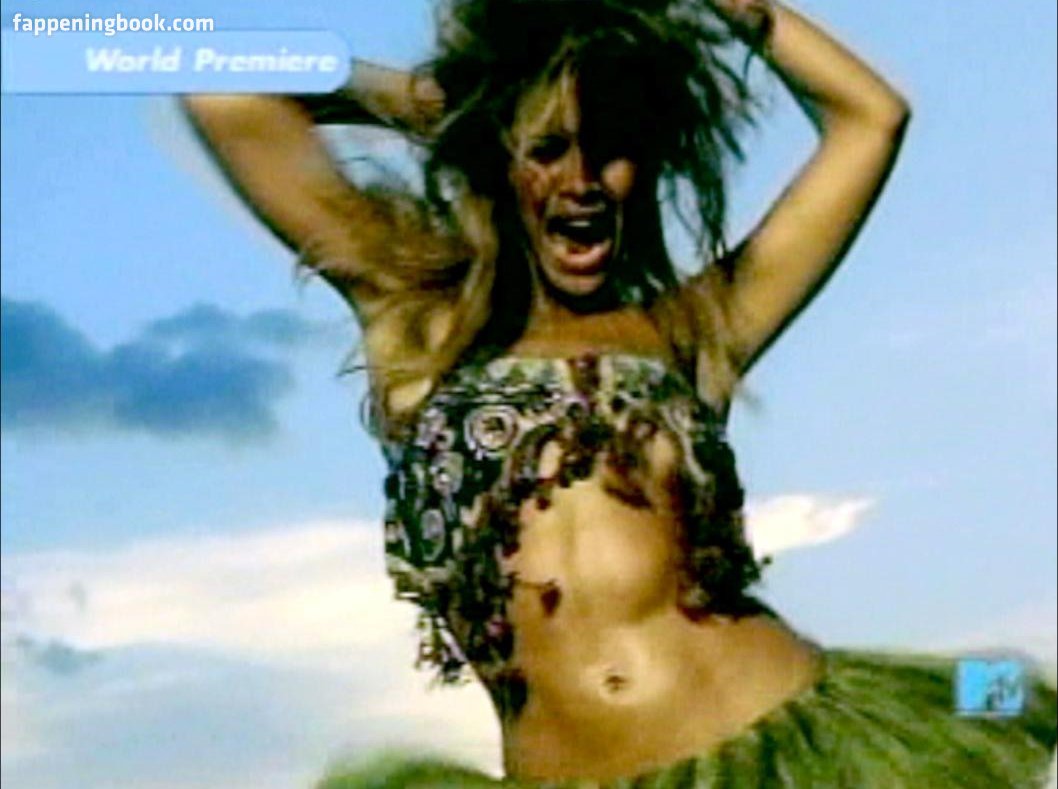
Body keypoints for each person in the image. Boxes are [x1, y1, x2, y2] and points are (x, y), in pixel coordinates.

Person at [183, 0, 1057, 785]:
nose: (582, 180)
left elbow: (871, 117)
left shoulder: (693, 327)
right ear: (499, 164)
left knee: (1012, 689)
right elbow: (220, 86)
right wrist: (455, 106)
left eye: (610, 148)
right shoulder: (417, 322)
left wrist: (734, 6)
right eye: (548, 149)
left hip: (783, 746)